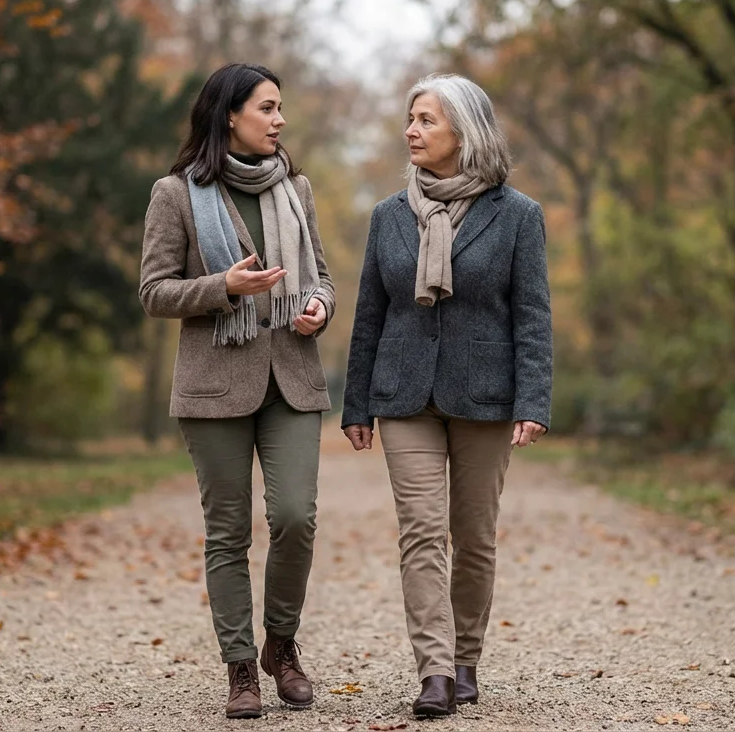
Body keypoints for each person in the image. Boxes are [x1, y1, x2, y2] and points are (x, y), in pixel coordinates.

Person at [341, 73, 553, 718]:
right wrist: (356, 403)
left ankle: (466, 661)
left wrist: (533, 400)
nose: (412, 130)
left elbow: (533, 316)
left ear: (466, 131)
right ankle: (433, 672)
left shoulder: (518, 216)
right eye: (411, 118)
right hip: (404, 394)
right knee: (422, 532)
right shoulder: (387, 216)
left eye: (427, 120)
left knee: (474, 535)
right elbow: (369, 315)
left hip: (487, 394)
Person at [139, 62, 335, 720]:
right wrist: (224, 287)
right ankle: (240, 668)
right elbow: (154, 291)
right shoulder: (174, 193)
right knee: (227, 533)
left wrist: (319, 310)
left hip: (293, 375)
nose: (280, 119)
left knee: (295, 518)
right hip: (214, 383)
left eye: (281, 108)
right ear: (229, 115)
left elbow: (324, 279)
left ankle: (281, 645)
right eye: (268, 107)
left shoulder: (296, 187)